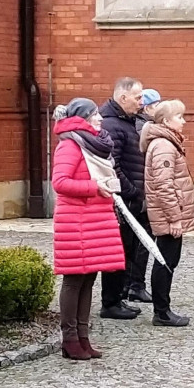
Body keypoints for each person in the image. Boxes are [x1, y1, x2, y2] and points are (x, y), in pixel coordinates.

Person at [51, 98, 126, 360]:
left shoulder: (93, 144)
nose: (100, 118)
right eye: (94, 114)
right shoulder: (70, 144)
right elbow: (59, 182)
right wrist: (95, 188)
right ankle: (69, 339)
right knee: (74, 279)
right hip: (76, 220)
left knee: (89, 277)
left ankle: (83, 337)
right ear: (82, 117)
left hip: (93, 217)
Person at [142, 100, 194, 327]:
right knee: (165, 262)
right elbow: (163, 185)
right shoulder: (164, 146)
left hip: (168, 214)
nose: (184, 121)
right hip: (168, 217)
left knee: (167, 261)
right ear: (166, 121)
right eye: (180, 117)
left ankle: (163, 309)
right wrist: (174, 217)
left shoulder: (166, 142)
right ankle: (162, 312)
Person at [99, 77, 153, 317]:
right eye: (138, 97)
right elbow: (113, 165)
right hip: (123, 200)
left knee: (129, 250)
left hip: (132, 198)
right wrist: (132, 191)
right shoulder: (112, 124)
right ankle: (111, 302)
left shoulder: (128, 121)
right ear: (123, 98)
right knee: (117, 251)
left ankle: (120, 297)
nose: (141, 102)